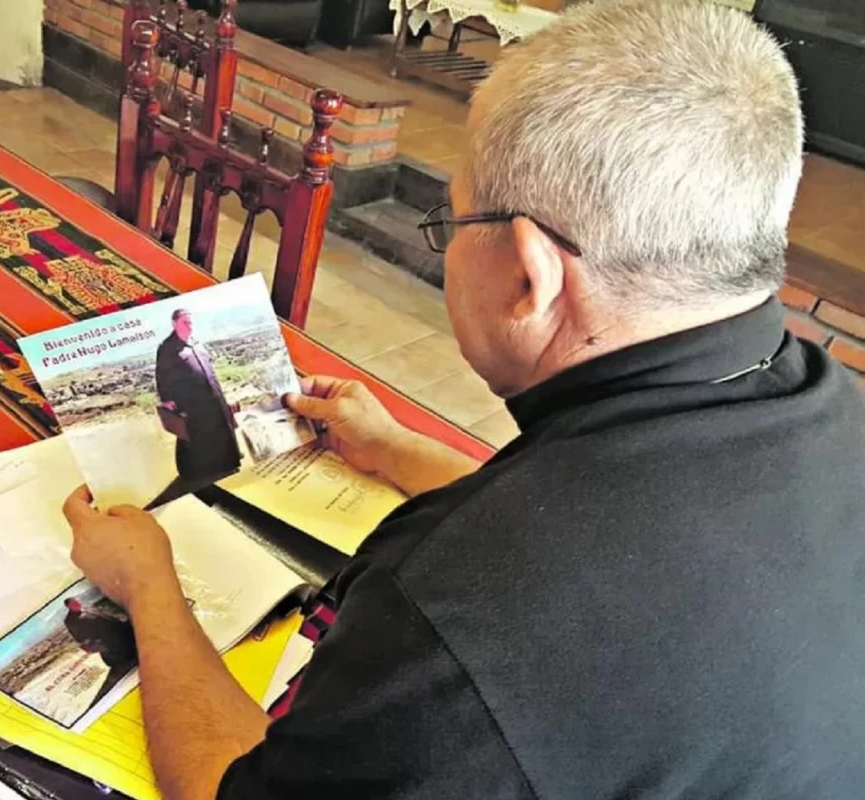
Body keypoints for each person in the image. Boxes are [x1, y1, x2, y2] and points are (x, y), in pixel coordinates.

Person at [62, 1, 865, 797]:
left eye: (449, 219)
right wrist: (401, 451)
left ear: (528, 275)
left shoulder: (451, 608)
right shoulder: (828, 407)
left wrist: (150, 590)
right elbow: (619, 549)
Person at [154, 309, 242, 490]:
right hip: (191, 401)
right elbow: (161, 374)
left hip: (214, 396)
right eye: (185, 322)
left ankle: (227, 463)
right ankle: (192, 473)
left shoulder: (196, 343)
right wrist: (166, 399)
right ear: (174, 324)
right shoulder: (167, 348)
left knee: (221, 430)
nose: (189, 326)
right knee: (195, 436)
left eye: (191, 322)